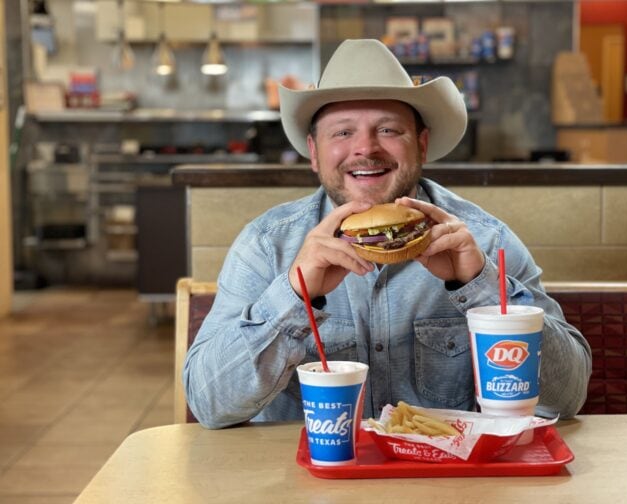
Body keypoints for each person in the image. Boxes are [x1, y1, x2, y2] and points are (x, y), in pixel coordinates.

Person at [183, 39, 591, 429]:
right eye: (343, 132)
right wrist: (293, 296)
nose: (366, 148)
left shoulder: (484, 241)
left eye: (389, 130)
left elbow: (567, 397)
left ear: (422, 144)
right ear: (314, 152)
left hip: (444, 486)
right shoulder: (268, 245)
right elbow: (209, 405)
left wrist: (481, 287)